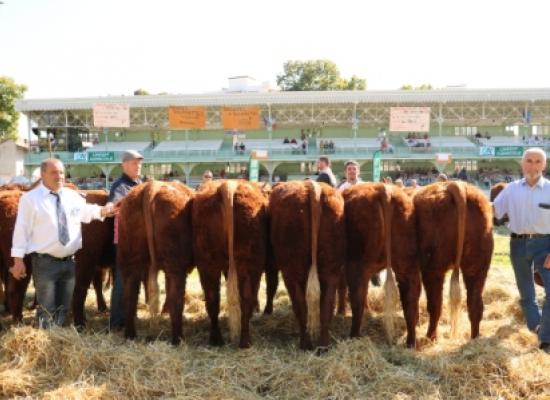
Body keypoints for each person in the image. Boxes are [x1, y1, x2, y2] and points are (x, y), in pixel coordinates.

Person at [10, 158, 114, 328]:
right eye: (53, 172)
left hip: (70, 262)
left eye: (61, 172)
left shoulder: (72, 196)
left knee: (64, 308)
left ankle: (57, 341)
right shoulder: (30, 199)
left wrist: (103, 211)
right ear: (43, 175)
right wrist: (18, 260)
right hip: (45, 263)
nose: (59, 176)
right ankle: (45, 342)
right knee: (47, 308)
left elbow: (86, 212)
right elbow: (21, 230)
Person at [493, 147, 550, 353]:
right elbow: (493, 210)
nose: (532, 166)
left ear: (543, 165)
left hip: (545, 245)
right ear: (522, 163)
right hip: (517, 244)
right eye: (529, 161)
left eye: (537, 162)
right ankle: (536, 327)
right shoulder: (511, 190)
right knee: (526, 293)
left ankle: (545, 338)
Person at [107, 149, 144, 331]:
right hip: (124, 240)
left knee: (134, 280)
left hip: (140, 241)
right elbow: (114, 207)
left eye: (139, 163)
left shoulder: (141, 184)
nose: (138, 166)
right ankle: (117, 322)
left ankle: (130, 315)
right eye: (134, 163)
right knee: (122, 281)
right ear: (124, 165)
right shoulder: (120, 186)